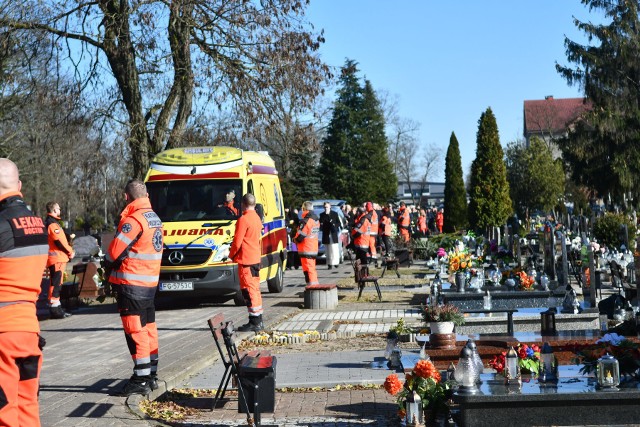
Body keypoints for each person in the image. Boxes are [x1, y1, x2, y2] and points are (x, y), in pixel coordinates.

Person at [0, 158, 48, 427]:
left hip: (3, 333)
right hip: (29, 331)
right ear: (18, 185)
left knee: (4, 411)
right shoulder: (39, 225)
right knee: (28, 406)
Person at [106, 179, 163, 396]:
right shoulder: (154, 218)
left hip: (132, 285)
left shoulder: (133, 220)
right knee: (149, 330)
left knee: (135, 332)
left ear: (126, 197)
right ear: (146, 194)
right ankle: (151, 374)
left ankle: (140, 378)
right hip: (149, 284)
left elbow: (113, 252)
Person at [228, 193, 264, 332]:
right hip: (255, 258)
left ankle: (254, 321)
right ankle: (258, 318)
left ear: (242, 204)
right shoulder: (256, 217)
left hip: (246, 260)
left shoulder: (243, 219)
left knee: (248, 291)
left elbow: (237, 241)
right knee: (255, 289)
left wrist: (231, 255)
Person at [45, 201, 75, 319]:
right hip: (56, 258)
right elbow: (59, 242)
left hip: (59, 258)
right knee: (56, 284)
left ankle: (57, 307)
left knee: (58, 283)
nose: (60, 210)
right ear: (53, 210)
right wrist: (70, 251)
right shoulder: (52, 224)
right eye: (58, 208)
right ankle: (54, 308)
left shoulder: (55, 223)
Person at [295, 201, 320, 286]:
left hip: (306, 248)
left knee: (308, 270)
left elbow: (300, 236)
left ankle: (312, 288)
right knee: (311, 269)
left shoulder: (306, 221)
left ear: (304, 209)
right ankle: (313, 286)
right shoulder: (316, 219)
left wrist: (294, 239)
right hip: (313, 248)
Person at [319, 202, 341, 270]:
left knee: (334, 248)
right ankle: (329, 264)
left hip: (333, 233)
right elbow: (321, 224)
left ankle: (336, 262)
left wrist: (335, 226)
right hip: (326, 233)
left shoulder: (334, 213)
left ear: (330, 206)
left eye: (327, 207)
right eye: (325, 207)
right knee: (328, 249)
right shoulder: (322, 215)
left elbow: (338, 223)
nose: (326, 208)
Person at [365, 202, 379, 267]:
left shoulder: (371, 212)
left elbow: (368, 219)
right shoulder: (373, 212)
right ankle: (374, 258)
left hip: (372, 232)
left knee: (371, 245)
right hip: (373, 231)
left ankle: (373, 259)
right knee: (372, 245)